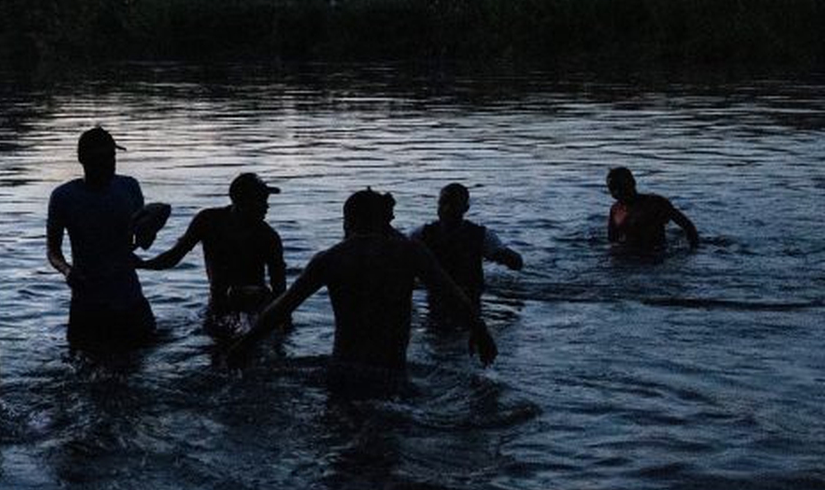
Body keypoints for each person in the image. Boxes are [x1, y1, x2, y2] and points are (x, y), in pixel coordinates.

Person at [228, 188, 496, 393]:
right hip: (391, 376)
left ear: (348, 221)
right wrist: (480, 330)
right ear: (384, 221)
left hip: (342, 373)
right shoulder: (410, 253)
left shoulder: (330, 258)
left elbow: (281, 308)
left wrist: (244, 345)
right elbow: (451, 295)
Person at [46, 125, 156, 348]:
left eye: (112, 156)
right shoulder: (63, 197)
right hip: (87, 299)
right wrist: (67, 270)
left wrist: (152, 226)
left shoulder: (129, 187)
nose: (109, 163)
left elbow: (144, 243)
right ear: (82, 159)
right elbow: (52, 250)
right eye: (101, 158)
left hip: (129, 295)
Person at [140, 172, 287, 333]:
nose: (267, 206)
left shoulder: (268, 237)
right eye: (260, 200)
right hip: (219, 308)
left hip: (254, 309)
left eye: (265, 200)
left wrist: (284, 325)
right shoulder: (208, 220)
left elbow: (280, 288)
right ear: (240, 201)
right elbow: (175, 256)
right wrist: (141, 264)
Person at [412, 182, 522, 321]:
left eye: (453, 204)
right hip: (435, 297)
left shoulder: (481, 236)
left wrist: (504, 256)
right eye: (443, 203)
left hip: (470, 297)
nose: (446, 209)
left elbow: (516, 263)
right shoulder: (421, 235)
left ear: (466, 208)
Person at [606, 166, 699, 252]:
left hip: (655, 255)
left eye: (621, 186)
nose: (617, 192)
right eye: (612, 188)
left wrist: (694, 249)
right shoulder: (615, 210)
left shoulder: (655, 203)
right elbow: (612, 239)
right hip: (628, 256)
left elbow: (687, 225)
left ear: (633, 183)